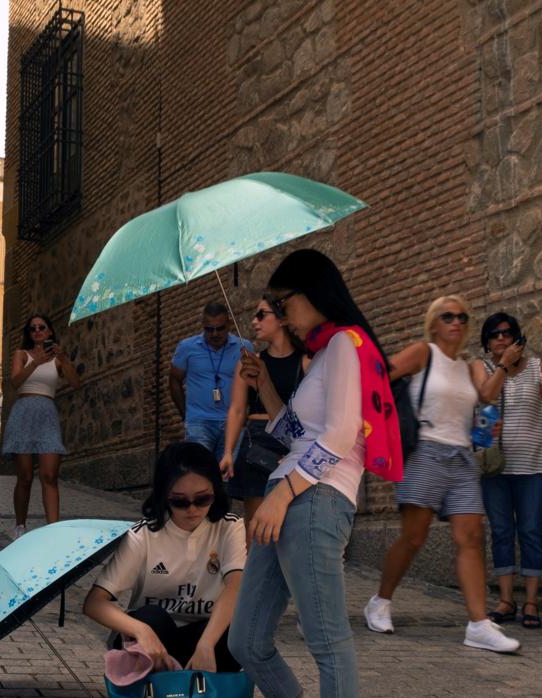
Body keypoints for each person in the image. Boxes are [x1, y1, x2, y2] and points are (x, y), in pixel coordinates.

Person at [229, 249, 403, 698]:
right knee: (245, 640)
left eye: (283, 305)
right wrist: (263, 383)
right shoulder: (323, 354)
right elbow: (295, 431)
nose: (283, 319)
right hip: (289, 495)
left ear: (311, 292)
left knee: (327, 641)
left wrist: (283, 494)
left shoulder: (347, 341)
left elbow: (343, 434)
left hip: (314, 500)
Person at [364, 295, 522, 653]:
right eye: (448, 316)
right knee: (413, 537)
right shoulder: (424, 352)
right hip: (424, 453)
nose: (456, 322)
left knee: (470, 537)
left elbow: (487, 397)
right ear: (434, 323)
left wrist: (503, 367)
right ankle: (380, 601)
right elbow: (380, 376)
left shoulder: (471, 367)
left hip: (462, 457)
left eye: (462, 317)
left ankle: (479, 624)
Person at [84, 441, 245, 674]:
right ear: (163, 496)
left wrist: (206, 644)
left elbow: (235, 586)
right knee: (151, 618)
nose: (192, 509)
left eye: (202, 499)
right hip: (154, 643)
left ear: (215, 491)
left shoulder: (229, 527)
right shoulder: (143, 535)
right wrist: (142, 631)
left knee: (237, 633)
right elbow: (94, 603)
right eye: (180, 501)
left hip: (206, 637)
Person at [471, 312, 542, 630]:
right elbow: (486, 395)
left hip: (534, 466)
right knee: (500, 532)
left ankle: (531, 602)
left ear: (517, 338)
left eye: (507, 333)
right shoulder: (481, 368)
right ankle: (506, 600)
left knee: (530, 531)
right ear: (486, 342)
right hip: (494, 468)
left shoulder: (538, 368)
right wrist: (502, 365)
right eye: (494, 334)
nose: (501, 338)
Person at [220, 297, 307, 524]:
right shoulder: (249, 362)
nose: (254, 321)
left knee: (290, 521)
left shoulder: (306, 361)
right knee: (255, 527)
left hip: (292, 443)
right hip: (256, 441)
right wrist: (228, 451)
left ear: (281, 319)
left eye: (261, 315)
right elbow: (237, 409)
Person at [2, 313, 82, 538]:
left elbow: (76, 384)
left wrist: (63, 360)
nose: (37, 331)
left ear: (49, 332)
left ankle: (53, 530)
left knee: (49, 475)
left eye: (42, 327)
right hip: (24, 412)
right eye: (33, 328)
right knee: (25, 476)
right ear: (28, 334)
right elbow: (15, 382)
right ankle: (20, 525)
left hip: (47, 415)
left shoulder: (58, 359)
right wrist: (35, 361)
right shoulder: (21, 354)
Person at [169, 303, 253, 461]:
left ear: (228, 324)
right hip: (199, 424)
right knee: (200, 472)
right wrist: (186, 415)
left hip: (232, 423)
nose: (215, 334)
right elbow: (174, 380)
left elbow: (253, 384)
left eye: (220, 328)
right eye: (209, 329)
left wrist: (245, 416)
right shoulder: (187, 348)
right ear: (203, 325)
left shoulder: (243, 348)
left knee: (227, 476)